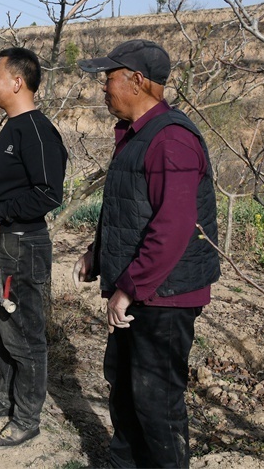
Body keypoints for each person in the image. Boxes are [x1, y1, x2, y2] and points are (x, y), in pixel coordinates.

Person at [74, 39, 221, 468]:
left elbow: (172, 226)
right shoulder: (136, 136)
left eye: (110, 78)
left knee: (156, 404)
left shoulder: (171, 139)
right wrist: (97, 253)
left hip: (165, 297)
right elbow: (130, 208)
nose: (104, 88)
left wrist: (129, 288)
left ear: (138, 81)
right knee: (123, 389)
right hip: (141, 290)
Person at [0, 47, 67, 449]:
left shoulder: (38, 130)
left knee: (24, 334)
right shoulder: (11, 127)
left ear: (17, 82)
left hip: (20, 247)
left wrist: (2, 213)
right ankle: (5, 399)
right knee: (4, 327)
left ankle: (26, 419)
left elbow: (48, 193)